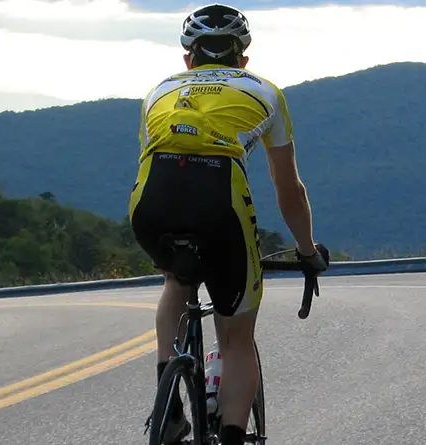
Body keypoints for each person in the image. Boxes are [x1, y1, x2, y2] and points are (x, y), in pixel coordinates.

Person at [127, 3, 329, 445]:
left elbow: (151, 161)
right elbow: (287, 187)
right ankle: (234, 436)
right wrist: (307, 251)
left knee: (176, 280)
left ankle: (171, 408)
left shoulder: (158, 91)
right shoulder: (266, 91)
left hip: (151, 201)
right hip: (219, 202)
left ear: (188, 59)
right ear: (243, 59)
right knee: (236, 338)